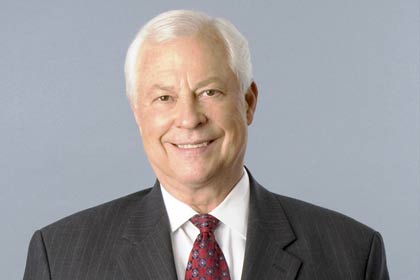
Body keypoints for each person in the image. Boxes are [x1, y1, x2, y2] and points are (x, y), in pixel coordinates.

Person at [23, 10, 389, 280]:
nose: (189, 118)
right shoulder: (61, 258)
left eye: (209, 92)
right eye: (164, 98)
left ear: (248, 102)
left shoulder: (352, 254)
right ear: (137, 113)